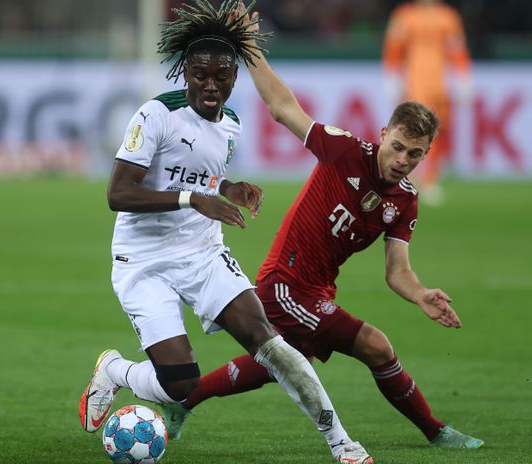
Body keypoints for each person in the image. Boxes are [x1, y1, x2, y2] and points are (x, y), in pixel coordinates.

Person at [161, 3, 484, 450]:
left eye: (414, 155)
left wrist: (421, 293)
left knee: (285, 361)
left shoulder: (405, 199)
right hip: (285, 284)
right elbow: (281, 107)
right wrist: (250, 45)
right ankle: (435, 431)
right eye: (398, 147)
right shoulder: (345, 151)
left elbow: (397, 271)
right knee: (376, 345)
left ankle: (183, 401)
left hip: (317, 290)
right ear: (384, 132)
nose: (402, 160)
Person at [78, 1, 373, 462]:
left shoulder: (231, 125)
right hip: (144, 260)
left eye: (221, 76)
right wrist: (194, 199)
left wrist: (230, 188)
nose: (211, 85)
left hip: (202, 252)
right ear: (186, 72)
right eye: (201, 75)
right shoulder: (155, 115)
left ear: (235, 76)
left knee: (270, 342)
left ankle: (342, 443)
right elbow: (119, 193)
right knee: (180, 386)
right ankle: (115, 370)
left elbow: (202, 177)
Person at [382, 0, 472, 205]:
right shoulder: (405, 16)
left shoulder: (448, 17)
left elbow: (457, 49)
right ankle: (407, 177)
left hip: (439, 82)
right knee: (414, 130)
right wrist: (392, 76)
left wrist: (463, 75)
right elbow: (393, 47)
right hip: (414, 81)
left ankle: (429, 177)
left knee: (437, 130)